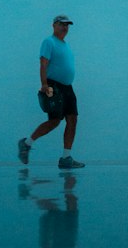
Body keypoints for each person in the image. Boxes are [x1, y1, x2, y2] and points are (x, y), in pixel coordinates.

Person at [18, 14, 84, 169]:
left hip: (68, 88)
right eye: (62, 24)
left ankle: (66, 158)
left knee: (72, 120)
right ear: (54, 25)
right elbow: (43, 64)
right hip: (54, 86)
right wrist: (44, 84)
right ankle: (26, 144)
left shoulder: (66, 45)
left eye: (67, 25)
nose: (65, 27)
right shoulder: (49, 42)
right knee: (54, 121)